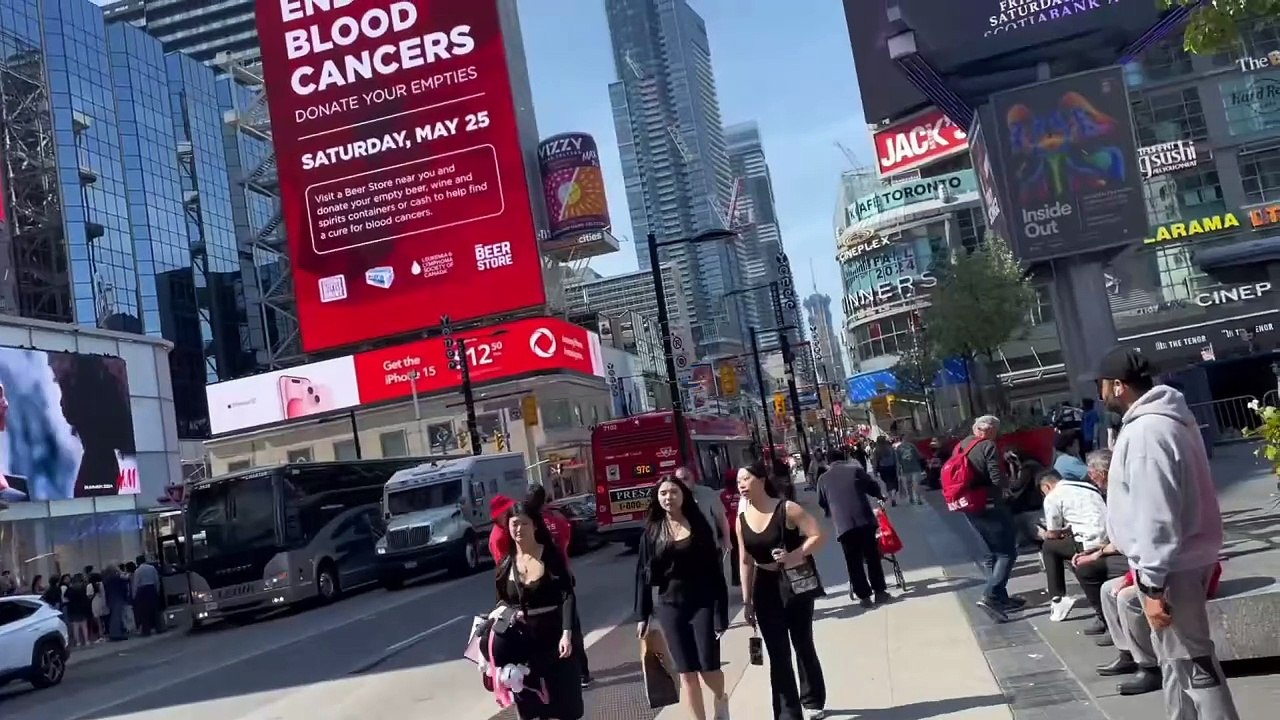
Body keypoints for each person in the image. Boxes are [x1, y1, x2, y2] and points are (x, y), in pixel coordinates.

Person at [1096, 346, 1240, 719]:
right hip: (1179, 560)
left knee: (1193, 660)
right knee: (1176, 660)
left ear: (1117, 386)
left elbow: (1155, 512)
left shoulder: (1147, 431)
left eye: (1101, 385)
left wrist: (1151, 585)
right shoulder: (1164, 422)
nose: (1100, 393)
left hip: (1172, 566)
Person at [737, 462, 827, 720]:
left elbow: (817, 535)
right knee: (777, 653)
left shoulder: (787, 508)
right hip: (765, 586)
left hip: (794, 583)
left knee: (802, 643)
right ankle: (788, 712)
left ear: (761, 479)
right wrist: (747, 601)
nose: (741, 485)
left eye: (746, 479)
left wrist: (794, 555)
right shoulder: (741, 519)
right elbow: (745, 561)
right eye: (738, 482)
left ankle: (812, 699)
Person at [635, 475, 730, 720]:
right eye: (663, 493)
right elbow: (642, 575)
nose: (669, 497)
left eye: (674, 492)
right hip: (670, 606)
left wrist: (720, 613)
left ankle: (721, 698)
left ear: (683, 496)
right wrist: (643, 614)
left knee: (708, 667)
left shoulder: (698, 525)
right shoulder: (651, 532)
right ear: (657, 498)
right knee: (687, 672)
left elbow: (715, 571)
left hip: (702, 603)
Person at [494, 498, 584, 720]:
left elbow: (567, 595)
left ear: (535, 525)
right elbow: (502, 601)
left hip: (555, 638)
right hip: (523, 644)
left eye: (524, 523)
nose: (518, 529)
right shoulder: (506, 563)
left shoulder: (551, 556)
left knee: (566, 705)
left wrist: (567, 633)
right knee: (530, 706)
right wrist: (506, 614)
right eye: (514, 524)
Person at [955, 415, 1024, 623]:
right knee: (1007, 552)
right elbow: (996, 477)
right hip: (990, 504)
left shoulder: (961, 445)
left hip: (970, 504)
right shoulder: (987, 446)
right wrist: (1008, 485)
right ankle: (991, 595)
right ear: (990, 429)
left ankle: (1001, 597)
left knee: (991, 553)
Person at [1036, 469, 1119, 629]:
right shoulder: (1087, 487)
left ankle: (1058, 598)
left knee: (1049, 547)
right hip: (1109, 537)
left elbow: (1053, 533)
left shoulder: (1053, 496)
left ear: (1047, 486)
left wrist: (1044, 533)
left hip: (1088, 543)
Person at [816, 449, 888, 608]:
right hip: (864, 520)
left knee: (853, 561)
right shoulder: (855, 470)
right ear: (845, 458)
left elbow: (821, 501)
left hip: (844, 525)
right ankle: (880, 592)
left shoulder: (823, 479)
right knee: (872, 557)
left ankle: (864, 597)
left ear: (828, 462)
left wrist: (830, 508)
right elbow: (872, 486)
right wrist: (880, 496)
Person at [1097, 575, 1162, 696]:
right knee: (1107, 589)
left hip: (1162, 578)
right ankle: (1128, 653)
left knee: (1127, 598)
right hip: (1143, 574)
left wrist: (1129, 580)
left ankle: (1150, 667)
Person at [131, 555, 161, 636]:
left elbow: (136, 583)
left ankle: (146, 630)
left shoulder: (138, 571)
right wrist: (157, 590)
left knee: (144, 612)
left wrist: (134, 595)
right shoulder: (152, 568)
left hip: (142, 591)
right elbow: (156, 580)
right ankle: (159, 627)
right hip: (151, 589)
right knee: (155, 610)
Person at [893, 436, 926, 505]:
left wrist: (898, 470)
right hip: (915, 467)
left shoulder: (898, 448)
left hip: (906, 469)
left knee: (909, 484)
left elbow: (898, 461)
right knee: (916, 483)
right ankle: (918, 499)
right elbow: (918, 456)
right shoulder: (912, 446)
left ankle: (911, 498)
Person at [63, 574, 92, 647]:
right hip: (82, 608)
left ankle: (78, 642)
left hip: (73, 609)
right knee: (84, 625)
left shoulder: (70, 590)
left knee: (75, 626)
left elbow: (65, 598)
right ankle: (86, 640)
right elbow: (86, 598)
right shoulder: (82, 588)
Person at [103, 565, 131, 641]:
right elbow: (126, 580)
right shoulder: (116, 578)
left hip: (111, 599)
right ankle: (116, 634)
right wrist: (121, 572)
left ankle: (116, 633)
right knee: (117, 617)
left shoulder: (107, 579)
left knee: (114, 617)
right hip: (117, 598)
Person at [871, 436, 899, 506]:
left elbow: (875, 462)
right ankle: (893, 496)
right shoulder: (890, 448)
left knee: (887, 483)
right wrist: (897, 466)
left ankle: (891, 497)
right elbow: (895, 458)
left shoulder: (876, 450)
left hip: (883, 469)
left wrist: (875, 471)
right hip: (892, 467)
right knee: (894, 482)